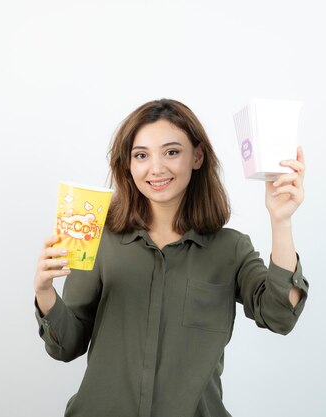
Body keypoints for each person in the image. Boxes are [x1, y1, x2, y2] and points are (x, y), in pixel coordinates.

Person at [33, 99, 309, 417]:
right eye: (141, 155)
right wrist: (44, 292)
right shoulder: (100, 239)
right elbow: (66, 345)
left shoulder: (230, 249)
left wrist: (281, 220)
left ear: (197, 156)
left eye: (172, 152)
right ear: (128, 165)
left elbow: (280, 316)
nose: (157, 168)